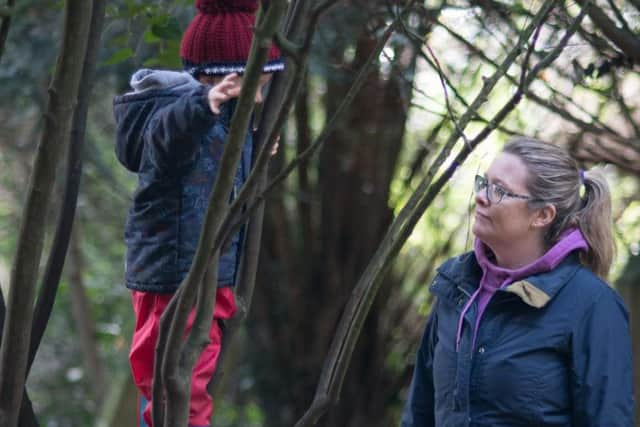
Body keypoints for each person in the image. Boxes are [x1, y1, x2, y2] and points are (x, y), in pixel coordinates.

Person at [113, 1, 284, 426]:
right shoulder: (183, 110)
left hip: (211, 270)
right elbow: (164, 141)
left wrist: (257, 154)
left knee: (188, 381)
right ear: (223, 77)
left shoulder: (229, 117)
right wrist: (202, 104)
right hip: (176, 275)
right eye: (256, 82)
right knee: (177, 385)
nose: (262, 92)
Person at [401, 137, 634, 426]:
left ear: (542, 215)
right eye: (483, 183)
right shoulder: (456, 283)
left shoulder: (593, 304)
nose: (482, 196)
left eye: (499, 190)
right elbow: (420, 412)